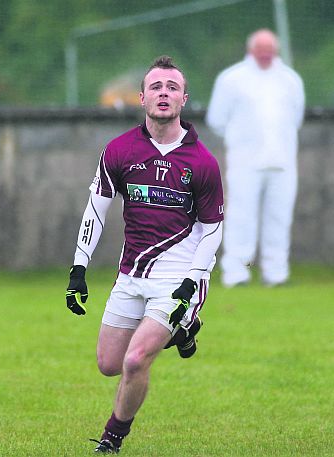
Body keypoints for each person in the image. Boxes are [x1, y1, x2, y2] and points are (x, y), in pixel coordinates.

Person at [65, 55, 224, 454]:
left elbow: (212, 229)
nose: (164, 93)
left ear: (184, 98)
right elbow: (96, 210)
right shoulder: (119, 151)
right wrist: (78, 268)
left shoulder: (202, 162)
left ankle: (111, 439)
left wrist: (192, 281)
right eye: (156, 87)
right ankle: (183, 330)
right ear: (142, 98)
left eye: (172, 87)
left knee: (136, 361)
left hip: (179, 276)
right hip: (131, 273)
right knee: (108, 364)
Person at [206, 28, 305, 287]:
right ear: (251, 50)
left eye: (269, 50)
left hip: (283, 163)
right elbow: (216, 119)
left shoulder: (290, 80)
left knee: (279, 220)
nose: (265, 55)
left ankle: (276, 274)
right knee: (241, 218)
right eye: (260, 49)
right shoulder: (232, 79)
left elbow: (296, 118)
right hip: (245, 163)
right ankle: (237, 274)